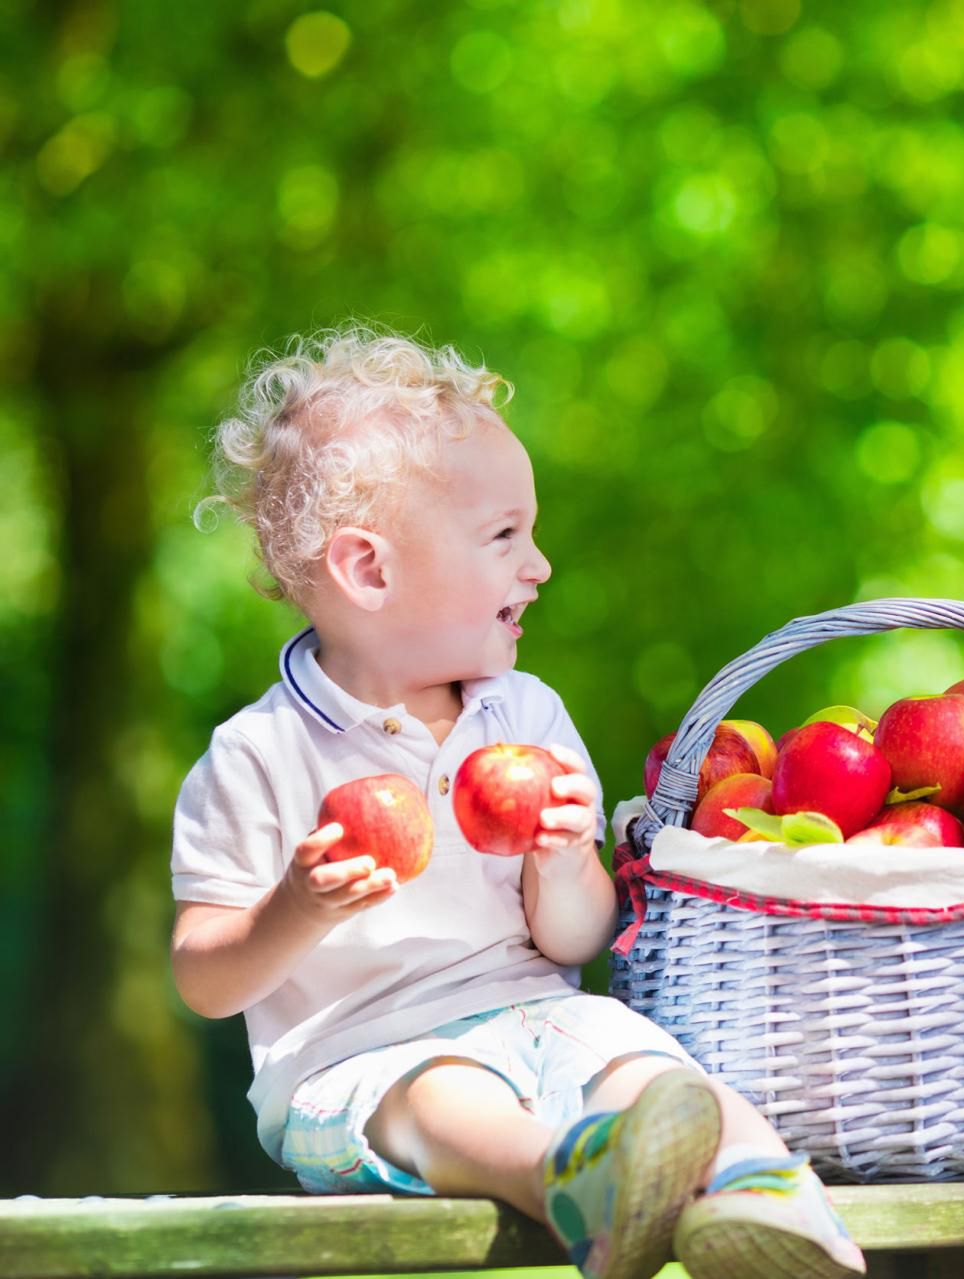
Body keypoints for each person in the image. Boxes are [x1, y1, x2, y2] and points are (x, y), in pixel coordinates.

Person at [169, 326, 864, 1279]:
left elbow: (574, 942)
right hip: (361, 1061)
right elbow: (206, 980)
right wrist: (297, 906)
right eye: (505, 536)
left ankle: (767, 1201)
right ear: (369, 570)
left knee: (655, 1069)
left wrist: (563, 857)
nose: (538, 564)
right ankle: (572, 1182)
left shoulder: (524, 715)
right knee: (443, 1097)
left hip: (534, 1012)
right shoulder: (260, 753)